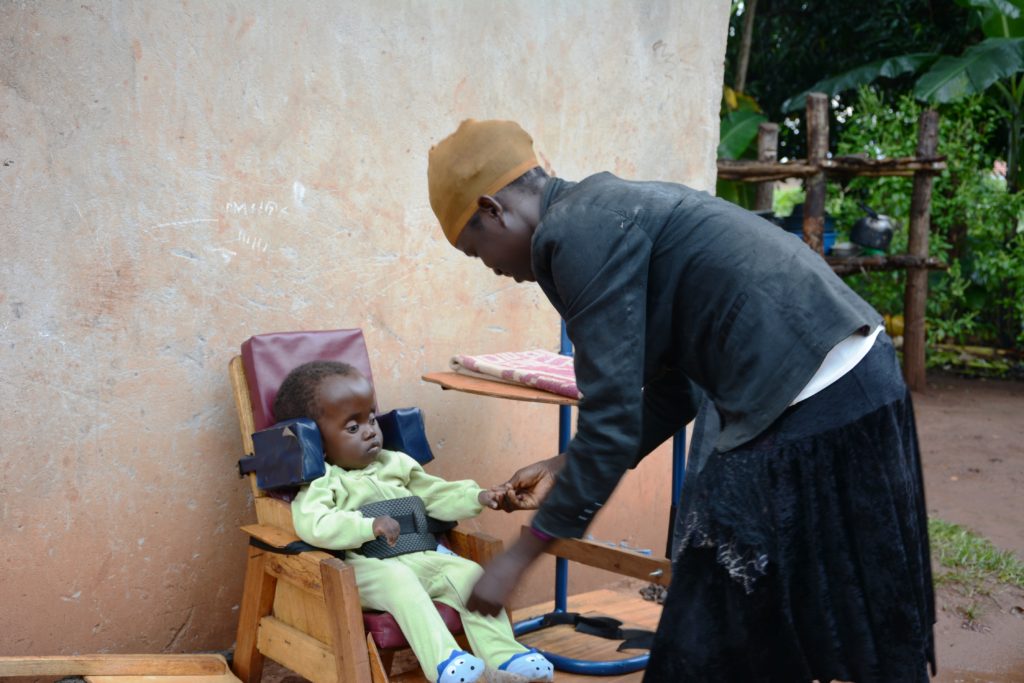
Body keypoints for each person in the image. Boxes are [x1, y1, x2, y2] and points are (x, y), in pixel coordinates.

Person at [426, 119, 935, 682]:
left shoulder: (574, 232)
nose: (494, 269)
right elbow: (679, 387)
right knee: (811, 609)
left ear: (492, 207)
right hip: (856, 382)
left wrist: (520, 557)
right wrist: (567, 463)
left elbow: (613, 420)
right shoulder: (602, 210)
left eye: (477, 251)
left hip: (811, 397)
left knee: (709, 625)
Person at [274, 360, 555, 683]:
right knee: (399, 580)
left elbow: (435, 495)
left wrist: (477, 497)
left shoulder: (395, 463)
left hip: (423, 557)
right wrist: (367, 526)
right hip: (367, 568)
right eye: (353, 428)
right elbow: (316, 524)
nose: (370, 431)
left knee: (468, 574)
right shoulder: (324, 481)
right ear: (318, 445)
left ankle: (506, 658)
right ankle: (446, 664)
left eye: (371, 419)